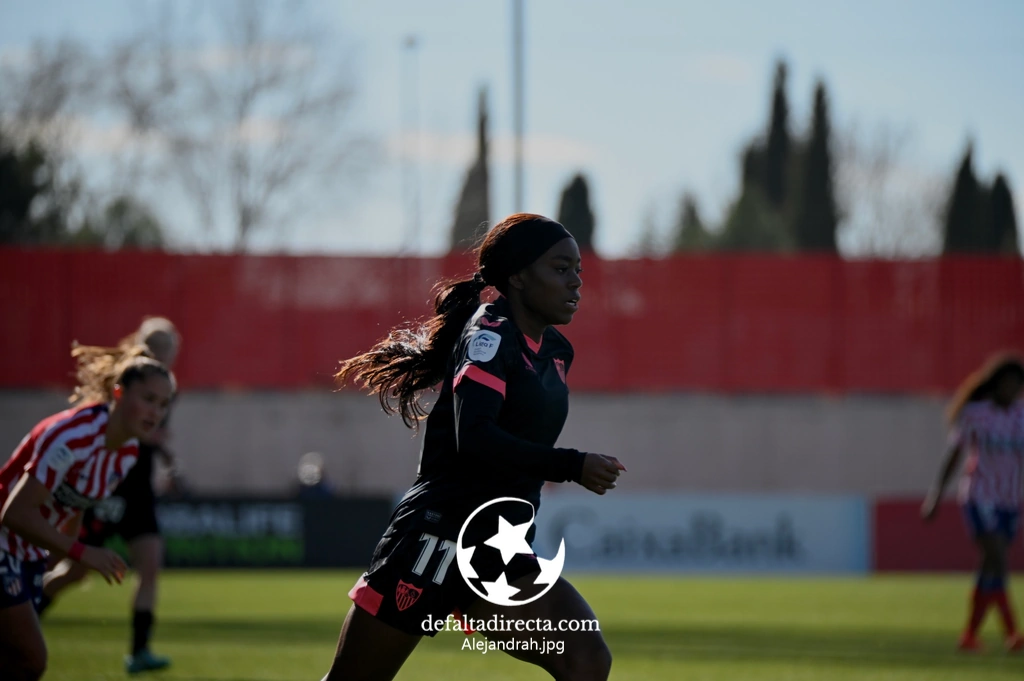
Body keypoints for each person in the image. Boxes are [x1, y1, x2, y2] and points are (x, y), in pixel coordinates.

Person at [323, 213, 626, 681]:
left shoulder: (557, 351)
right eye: (560, 269)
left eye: (578, 271)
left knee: (586, 660)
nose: (575, 283)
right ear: (519, 277)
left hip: (496, 544)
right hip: (435, 536)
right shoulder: (489, 337)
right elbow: (477, 438)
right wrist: (573, 465)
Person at [0, 349, 175, 681]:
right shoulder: (73, 436)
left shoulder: (127, 453)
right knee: (30, 659)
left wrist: (61, 554)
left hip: (27, 553)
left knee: (16, 658)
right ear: (119, 394)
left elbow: (75, 506)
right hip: (5, 544)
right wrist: (81, 552)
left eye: (163, 405)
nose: (156, 412)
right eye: (149, 399)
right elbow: (14, 513)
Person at [39, 317, 182, 674]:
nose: (168, 359)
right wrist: (157, 443)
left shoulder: (166, 387)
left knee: (150, 566)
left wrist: (161, 451)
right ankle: (21, 613)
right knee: (74, 572)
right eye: (164, 351)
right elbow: (118, 427)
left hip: (139, 490)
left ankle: (139, 650)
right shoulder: (128, 381)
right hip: (105, 485)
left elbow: (148, 434)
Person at [922, 353, 1024, 653]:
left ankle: (969, 635)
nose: (1013, 390)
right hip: (980, 496)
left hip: (1010, 500)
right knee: (998, 560)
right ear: (996, 384)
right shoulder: (976, 414)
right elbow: (954, 454)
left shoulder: (1021, 417)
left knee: (989, 567)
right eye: (1008, 384)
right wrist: (936, 494)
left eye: (1018, 385)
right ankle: (1013, 632)